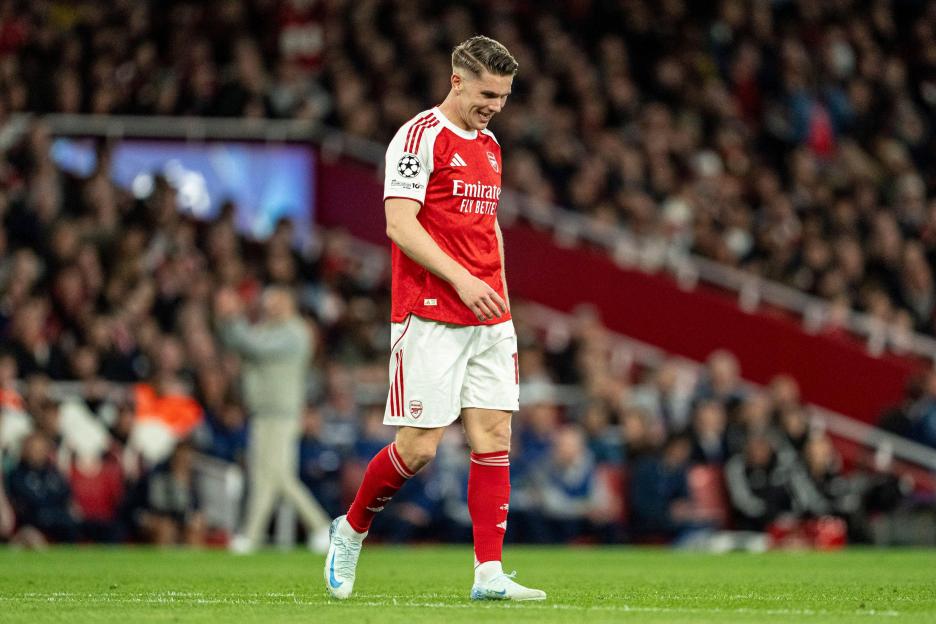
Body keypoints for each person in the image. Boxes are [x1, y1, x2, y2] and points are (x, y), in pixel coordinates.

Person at [324, 35, 545, 601]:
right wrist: (464, 280)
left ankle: (489, 574)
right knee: (420, 447)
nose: (495, 105)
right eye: (487, 92)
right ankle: (350, 530)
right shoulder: (418, 137)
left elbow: (487, 223)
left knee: (494, 434)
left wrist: (495, 282)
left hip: (489, 315)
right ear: (456, 81)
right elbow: (401, 225)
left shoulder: (492, 146)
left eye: (504, 95)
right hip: (431, 314)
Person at [216, 285, 331, 553]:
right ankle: (251, 536)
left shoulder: (295, 332)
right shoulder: (268, 329)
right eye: (267, 304)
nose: (269, 309)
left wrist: (233, 317)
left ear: (288, 304)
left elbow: (252, 346)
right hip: (262, 411)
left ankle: (321, 525)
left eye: (275, 303)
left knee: (277, 474)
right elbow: (238, 342)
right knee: (263, 476)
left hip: (281, 413)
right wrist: (226, 320)